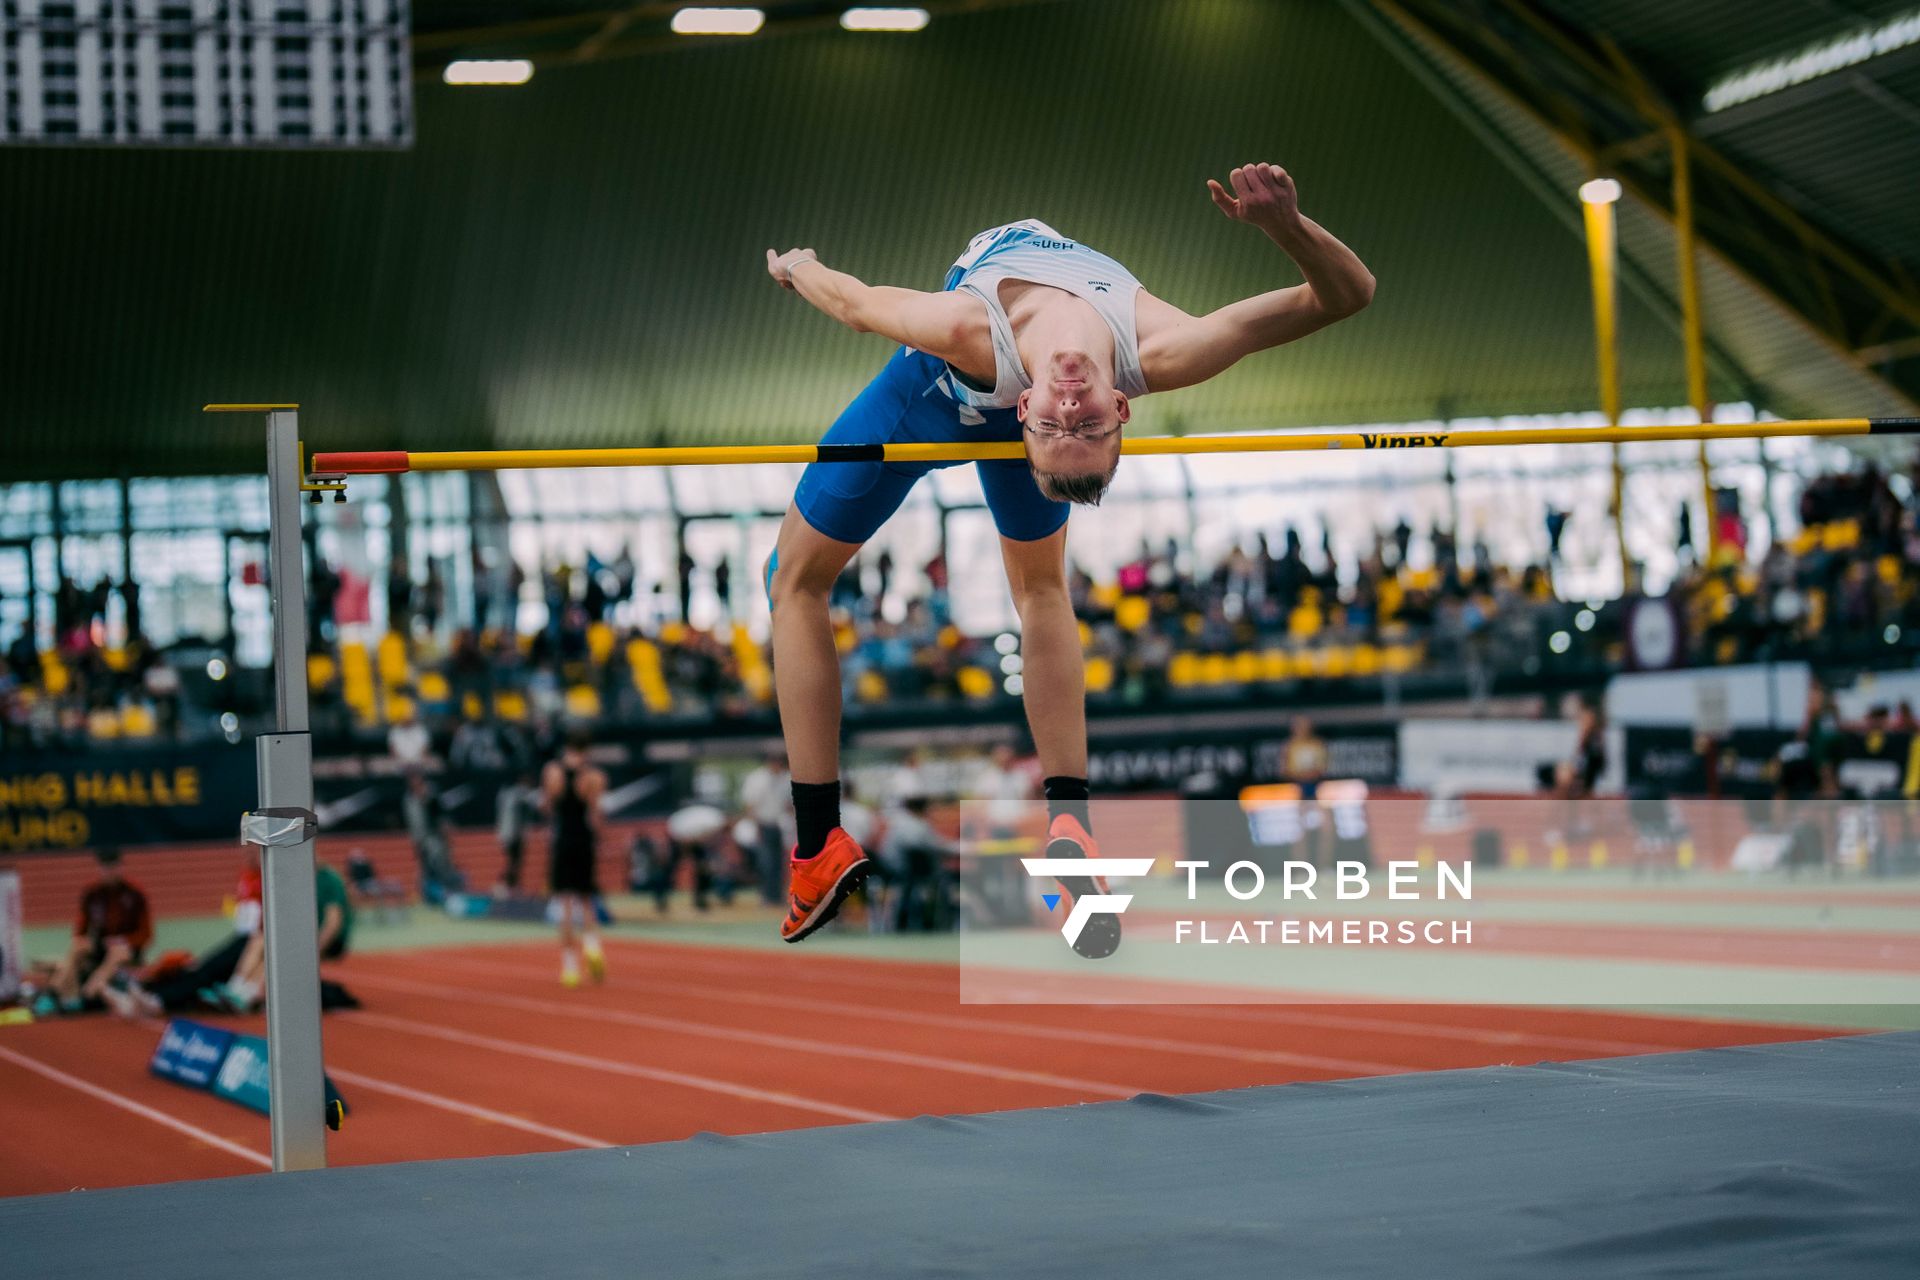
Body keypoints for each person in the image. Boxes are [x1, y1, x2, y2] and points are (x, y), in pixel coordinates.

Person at [762, 162, 1374, 948]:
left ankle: (824, 846)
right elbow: (1347, 295)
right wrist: (1285, 228)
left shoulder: (965, 331)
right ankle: (1030, 831)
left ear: (1026, 415)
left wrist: (800, 266)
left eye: (1064, 427)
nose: (1073, 412)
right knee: (996, 590)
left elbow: (852, 304)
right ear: (1122, 407)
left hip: (943, 392)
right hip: (959, 391)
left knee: (804, 583)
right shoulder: (1164, 348)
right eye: (1083, 427)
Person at [37, 847, 151, 1016]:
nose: (110, 872)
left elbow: (146, 933)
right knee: (78, 946)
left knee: (117, 951)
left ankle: (89, 993)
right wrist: (84, 941)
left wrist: (124, 941)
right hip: (101, 946)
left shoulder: (135, 894)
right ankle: (54, 994)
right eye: (106, 867)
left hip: (126, 949)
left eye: (114, 867)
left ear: (120, 867)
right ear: (100, 868)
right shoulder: (92, 894)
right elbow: (81, 929)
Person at [544, 726, 607, 988]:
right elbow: (595, 813)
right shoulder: (595, 775)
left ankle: (570, 967)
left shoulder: (553, 771)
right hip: (584, 838)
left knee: (565, 903)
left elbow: (549, 805)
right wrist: (599, 839)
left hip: (564, 837)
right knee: (587, 898)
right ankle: (592, 945)